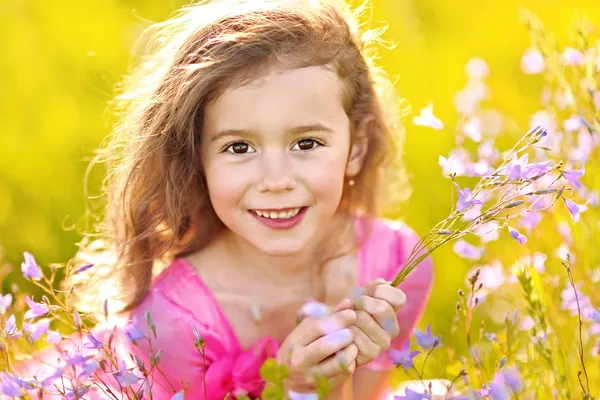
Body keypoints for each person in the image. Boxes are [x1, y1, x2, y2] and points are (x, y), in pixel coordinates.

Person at [78, 0, 434, 398]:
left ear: (355, 148)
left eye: (306, 142)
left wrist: (334, 384)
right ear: (197, 158)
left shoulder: (396, 264)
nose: (276, 181)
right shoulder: (174, 323)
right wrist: (294, 388)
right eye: (240, 148)